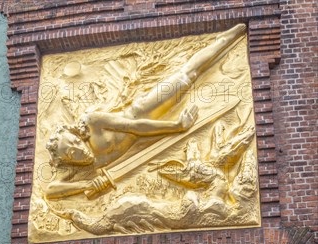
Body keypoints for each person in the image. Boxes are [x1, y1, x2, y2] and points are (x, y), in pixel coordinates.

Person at [45, 24, 246, 199]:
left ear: (76, 135)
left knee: (187, 75)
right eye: (73, 153)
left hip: (144, 112)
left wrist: (177, 126)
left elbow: (134, 127)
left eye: (76, 142)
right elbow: (50, 191)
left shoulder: (91, 122)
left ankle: (224, 39)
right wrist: (85, 185)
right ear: (66, 159)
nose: (79, 150)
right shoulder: (74, 166)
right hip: (146, 143)